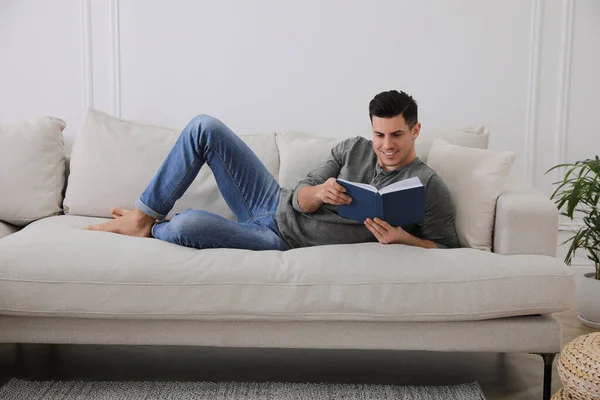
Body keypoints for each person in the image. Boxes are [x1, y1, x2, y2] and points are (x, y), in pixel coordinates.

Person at [85, 90, 460, 250]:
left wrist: (404, 239)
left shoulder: (428, 185)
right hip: (270, 200)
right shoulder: (352, 149)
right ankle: (141, 217)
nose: (386, 145)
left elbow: (446, 247)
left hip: (282, 242)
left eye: (396, 135)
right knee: (205, 126)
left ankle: (155, 226)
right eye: (379, 134)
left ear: (415, 130)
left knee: (186, 225)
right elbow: (300, 192)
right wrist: (318, 193)